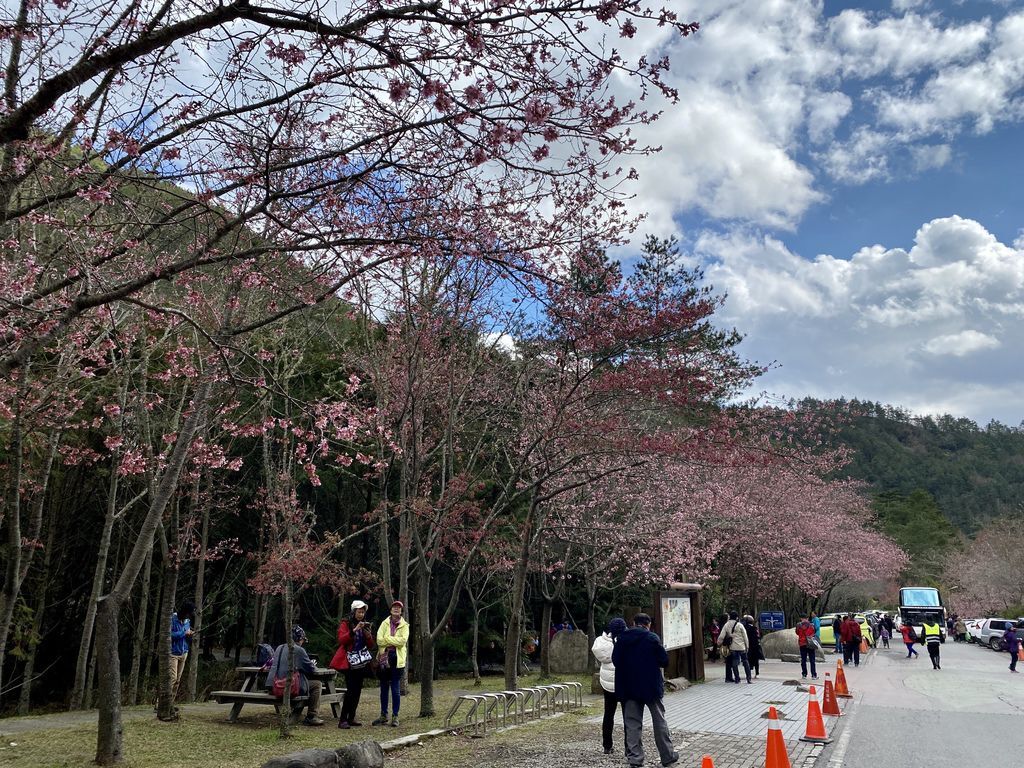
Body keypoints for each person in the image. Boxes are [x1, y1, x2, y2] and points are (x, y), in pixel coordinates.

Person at [611, 613, 679, 768]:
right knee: (659, 721)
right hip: (651, 687)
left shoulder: (622, 639)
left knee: (633, 724)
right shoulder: (652, 638)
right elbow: (664, 661)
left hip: (629, 688)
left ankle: (635, 758)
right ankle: (667, 756)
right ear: (648, 624)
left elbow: (616, 661)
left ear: (634, 623)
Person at [329, 599, 376, 729]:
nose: (361, 614)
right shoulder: (346, 623)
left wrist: (368, 635)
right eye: (359, 612)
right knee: (351, 690)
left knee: (357, 690)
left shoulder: (365, 625)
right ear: (354, 611)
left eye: (363, 612)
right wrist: (354, 630)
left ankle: (351, 717)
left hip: (361, 661)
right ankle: (343, 719)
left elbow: (371, 645)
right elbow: (342, 640)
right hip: (349, 662)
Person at [265, 626, 324, 726]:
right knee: (317, 684)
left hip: (273, 686)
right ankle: (312, 716)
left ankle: (297, 714)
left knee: (304, 683)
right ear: (299, 639)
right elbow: (312, 669)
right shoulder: (298, 650)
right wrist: (312, 664)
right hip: (288, 687)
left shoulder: (279, 648)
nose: (303, 642)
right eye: (302, 640)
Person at [592, 617, 628, 755]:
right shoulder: (625, 641)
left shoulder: (601, 642)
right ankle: (628, 747)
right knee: (627, 716)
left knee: (608, 715)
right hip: (623, 683)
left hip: (607, 684)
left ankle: (607, 745)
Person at [374, 600, 409, 727]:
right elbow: (379, 640)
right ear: (390, 610)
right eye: (394, 607)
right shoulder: (384, 623)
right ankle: (383, 715)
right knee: (383, 687)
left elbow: (403, 641)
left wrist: (387, 639)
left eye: (398, 608)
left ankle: (395, 716)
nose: (396, 609)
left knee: (395, 688)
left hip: (397, 659)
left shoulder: (405, 626)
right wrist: (393, 641)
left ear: (401, 611)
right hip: (384, 657)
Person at [169, 600, 195, 703]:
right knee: (172, 678)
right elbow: (171, 635)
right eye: (189, 613)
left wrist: (189, 635)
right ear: (185, 612)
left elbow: (186, 637)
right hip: (173, 653)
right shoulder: (172, 618)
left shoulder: (187, 621)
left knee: (177, 680)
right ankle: (161, 703)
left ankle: (170, 703)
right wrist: (184, 633)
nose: (190, 616)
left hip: (184, 652)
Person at [720, 611, 751, 684]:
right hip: (741, 647)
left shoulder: (726, 625)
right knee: (745, 662)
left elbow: (722, 636)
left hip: (733, 647)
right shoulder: (740, 625)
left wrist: (719, 643)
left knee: (734, 663)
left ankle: (737, 679)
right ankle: (748, 678)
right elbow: (745, 637)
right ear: (737, 617)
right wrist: (747, 646)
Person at [795, 614, 818, 679]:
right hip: (810, 644)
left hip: (802, 644)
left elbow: (797, 633)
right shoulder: (811, 625)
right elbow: (814, 632)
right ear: (807, 618)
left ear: (801, 618)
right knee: (812, 660)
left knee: (803, 660)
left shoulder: (798, 625)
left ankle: (804, 674)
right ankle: (813, 675)